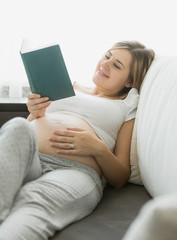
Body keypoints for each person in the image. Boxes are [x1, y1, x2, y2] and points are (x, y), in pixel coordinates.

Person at [0, 40, 155, 240]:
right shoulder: (65, 85)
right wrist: (35, 113)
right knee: (18, 126)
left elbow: (120, 178)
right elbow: (32, 127)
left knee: (31, 205)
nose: (105, 64)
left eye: (117, 65)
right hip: (30, 158)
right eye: (107, 56)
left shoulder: (126, 106)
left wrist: (97, 147)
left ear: (129, 82)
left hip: (74, 171)